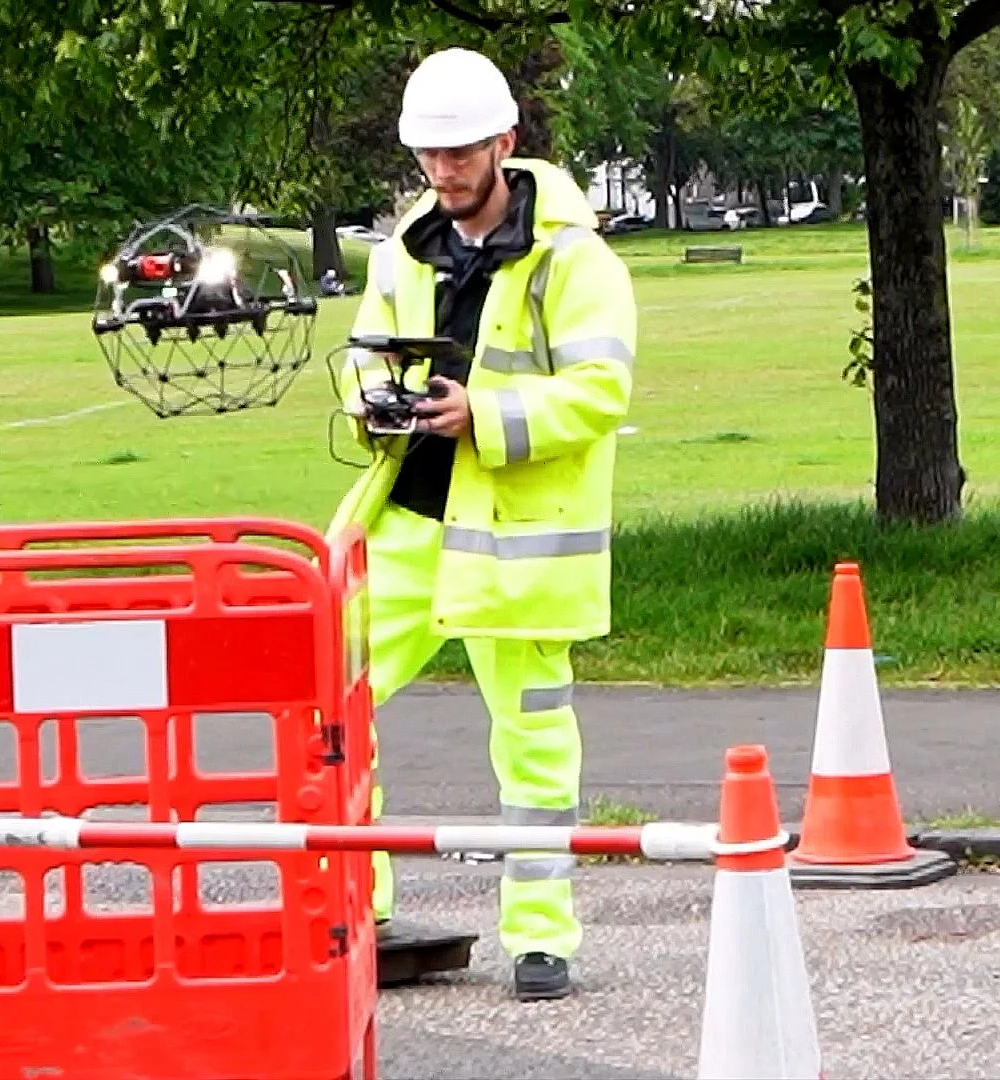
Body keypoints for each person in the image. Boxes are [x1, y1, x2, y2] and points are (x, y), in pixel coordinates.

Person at [325, 47, 637, 1002]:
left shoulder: (577, 261)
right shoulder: (401, 249)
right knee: (329, 705)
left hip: (515, 532)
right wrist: (373, 400)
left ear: (505, 142)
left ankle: (541, 940)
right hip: (412, 520)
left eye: (459, 154)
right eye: (427, 154)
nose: (443, 172)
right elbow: (360, 359)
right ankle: (358, 907)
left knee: (535, 741)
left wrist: (485, 416)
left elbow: (600, 391)